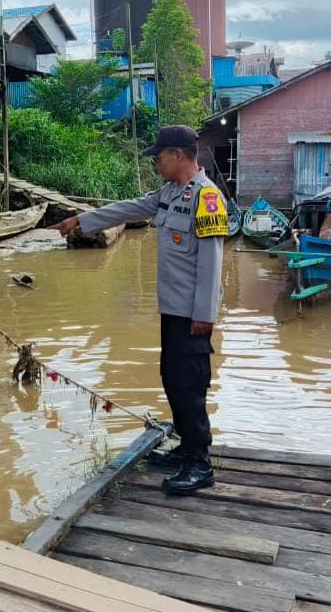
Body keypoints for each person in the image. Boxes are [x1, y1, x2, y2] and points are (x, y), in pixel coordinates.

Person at [50, 125, 227, 494]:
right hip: (173, 309)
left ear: (178, 155)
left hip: (193, 315)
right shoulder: (170, 193)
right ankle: (186, 449)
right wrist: (81, 220)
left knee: (190, 385)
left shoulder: (207, 199)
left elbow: (211, 261)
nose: (156, 163)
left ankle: (200, 463)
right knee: (172, 379)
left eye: (159, 157)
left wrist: (204, 315)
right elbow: (130, 208)